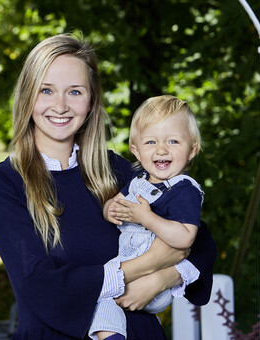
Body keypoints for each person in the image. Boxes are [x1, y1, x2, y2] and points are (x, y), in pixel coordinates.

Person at [0, 33, 217, 340]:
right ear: (27, 97)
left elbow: (199, 238)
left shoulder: (117, 171)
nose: (60, 106)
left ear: (91, 102)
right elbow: (42, 285)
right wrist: (150, 263)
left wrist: (161, 279)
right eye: (46, 90)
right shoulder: (1, 184)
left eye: (75, 92)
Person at [89, 95, 205, 340]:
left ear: (192, 149)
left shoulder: (184, 190)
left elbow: (185, 238)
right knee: (100, 296)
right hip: (130, 266)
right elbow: (117, 202)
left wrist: (147, 218)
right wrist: (109, 208)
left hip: (153, 282)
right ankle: (112, 336)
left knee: (97, 291)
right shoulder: (138, 180)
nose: (161, 149)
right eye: (151, 142)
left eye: (173, 141)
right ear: (136, 151)